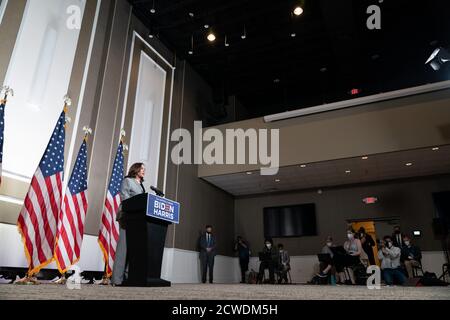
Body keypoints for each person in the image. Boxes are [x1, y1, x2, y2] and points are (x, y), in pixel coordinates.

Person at [112, 163, 146, 286]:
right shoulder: (128, 181)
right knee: (124, 248)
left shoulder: (141, 186)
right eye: (142, 168)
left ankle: (128, 278)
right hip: (127, 218)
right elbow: (125, 198)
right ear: (135, 169)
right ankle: (117, 279)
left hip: (138, 219)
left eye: (144, 169)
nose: (143, 170)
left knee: (134, 250)